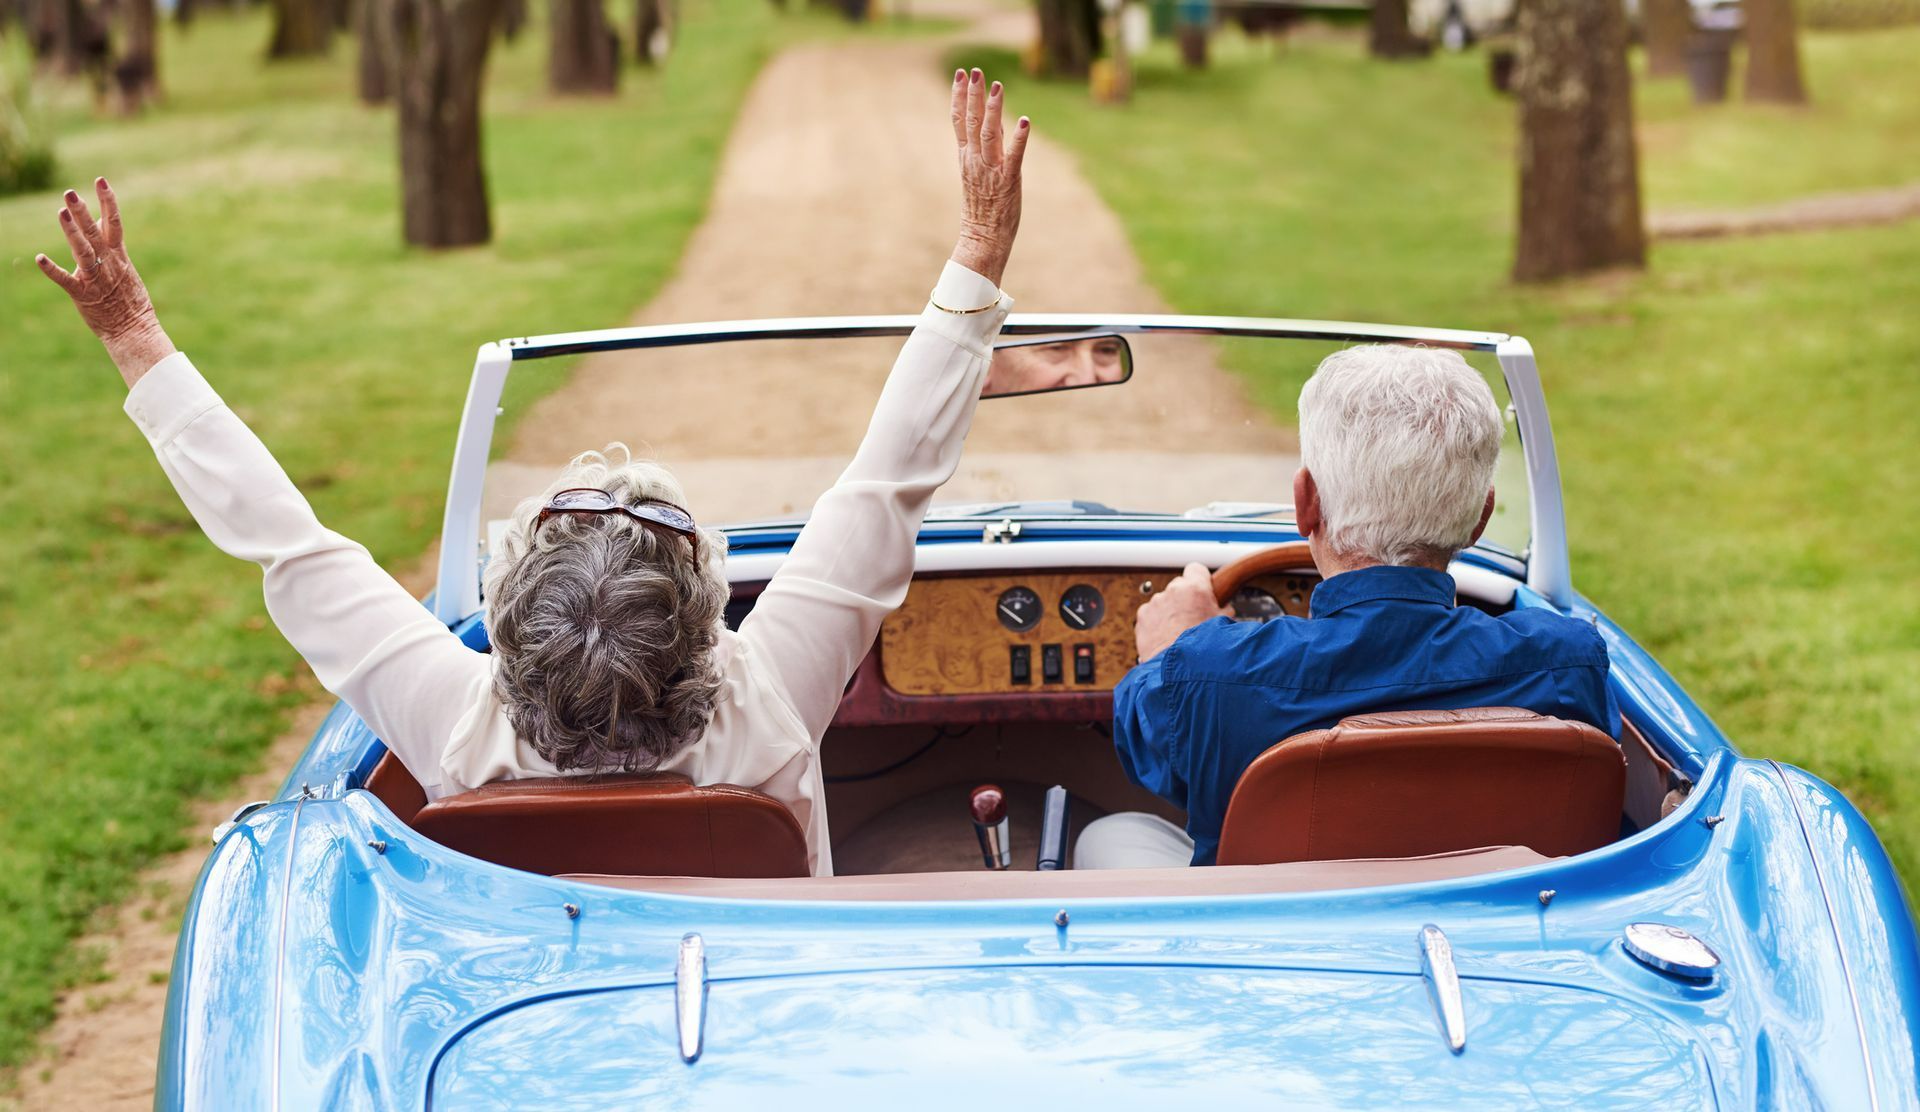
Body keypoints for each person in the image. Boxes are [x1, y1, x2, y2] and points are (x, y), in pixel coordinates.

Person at [36, 68, 1031, 878]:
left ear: (512, 640)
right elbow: (891, 474)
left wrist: (135, 337)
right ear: (705, 628)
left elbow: (287, 545)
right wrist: (978, 254)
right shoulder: (762, 701)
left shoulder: (460, 727)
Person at [1077, 345, 1619, 870]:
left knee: (1111, 833)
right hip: (1494, 934)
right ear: (1481, 517)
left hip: (1267, 943)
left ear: (1306, 503)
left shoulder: (1206, 674)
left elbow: (1145, 746)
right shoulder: (1570, 663)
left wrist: (1173, 645)